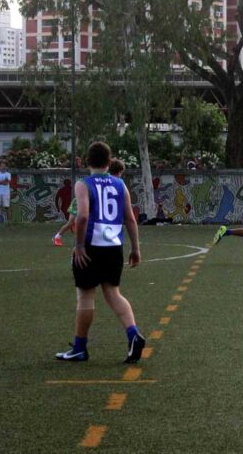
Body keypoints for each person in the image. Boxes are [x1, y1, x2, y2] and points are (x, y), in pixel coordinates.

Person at [55, 142, 145, 363]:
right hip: (114, 247)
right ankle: (133, 333)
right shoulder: (120, 184)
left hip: (91, 246)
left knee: (85, 296)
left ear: (87, 161)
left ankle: (79, 348)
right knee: (113, 293)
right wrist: (135, 248)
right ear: (109, 161)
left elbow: (83, 215)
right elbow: (130, 218)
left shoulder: (83, 184)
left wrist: (79, 246)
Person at [53, 158, 127, 247]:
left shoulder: (113, 182)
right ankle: (57, 237)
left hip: (88, 204)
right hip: (79, 203)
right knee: (71, 223)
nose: (120, 176)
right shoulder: (103, 180)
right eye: (120, 173)